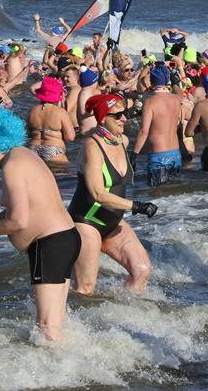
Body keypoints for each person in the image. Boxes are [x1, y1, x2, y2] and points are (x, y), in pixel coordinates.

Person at [0, 107, 80, 341]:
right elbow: (25, 207)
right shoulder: (24, 154)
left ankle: (51, 364)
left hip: (48, 245)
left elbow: (18, 221)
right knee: (56, 323)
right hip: (65, 238)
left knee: (46, 328)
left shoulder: (12, 166)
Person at [68, 93, 158, 294]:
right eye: (117, 115)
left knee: (141, 271)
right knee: (86, 288)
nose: (124, 119)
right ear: (102, 118)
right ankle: (73, 314)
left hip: (112, 222)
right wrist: (136, 206)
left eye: (125, 113)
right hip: (87, 222)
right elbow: (97, 193)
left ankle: (122, 310)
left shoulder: (122, 141)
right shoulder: (92, 146)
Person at [131, 64, 183, 186]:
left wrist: (133, 155)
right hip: (176, 153)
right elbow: (179, 93)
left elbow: (144, 131)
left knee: (156, 192)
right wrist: (175, 83)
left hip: (159, 155)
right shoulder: (176, 99)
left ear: (152, 81)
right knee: (174, 191)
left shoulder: (150, 102)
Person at [26, 76, 75, 163]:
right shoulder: (60, 112)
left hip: (33, 150)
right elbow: (70, 137)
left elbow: (27, 134)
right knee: (64, 171)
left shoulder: (32, 111)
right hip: (54, 150)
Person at [76, 67, 101, 134]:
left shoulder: (87, 92)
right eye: (96, 81)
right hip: (86, 133)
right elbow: (83, 111)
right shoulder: (85, 92)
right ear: (93, 82)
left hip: (89, 132)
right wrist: (99, 109)